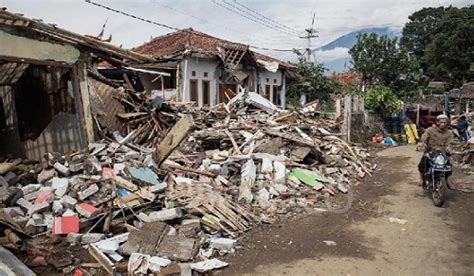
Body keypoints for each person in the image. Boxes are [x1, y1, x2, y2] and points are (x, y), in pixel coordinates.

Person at [417, 114, 453, 186]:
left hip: (442, 151)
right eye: (441, 122)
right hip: (431, 150)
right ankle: (421, 179)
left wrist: (449, 148)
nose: (443, 124)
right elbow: (424, 137)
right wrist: (422, 144)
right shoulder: (430, 130)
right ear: (437, 122)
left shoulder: (449, 133)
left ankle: (448, 179)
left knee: (449, 164)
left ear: (447, 123)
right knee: (422, 163)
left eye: (445, 122)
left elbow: (449, 143)